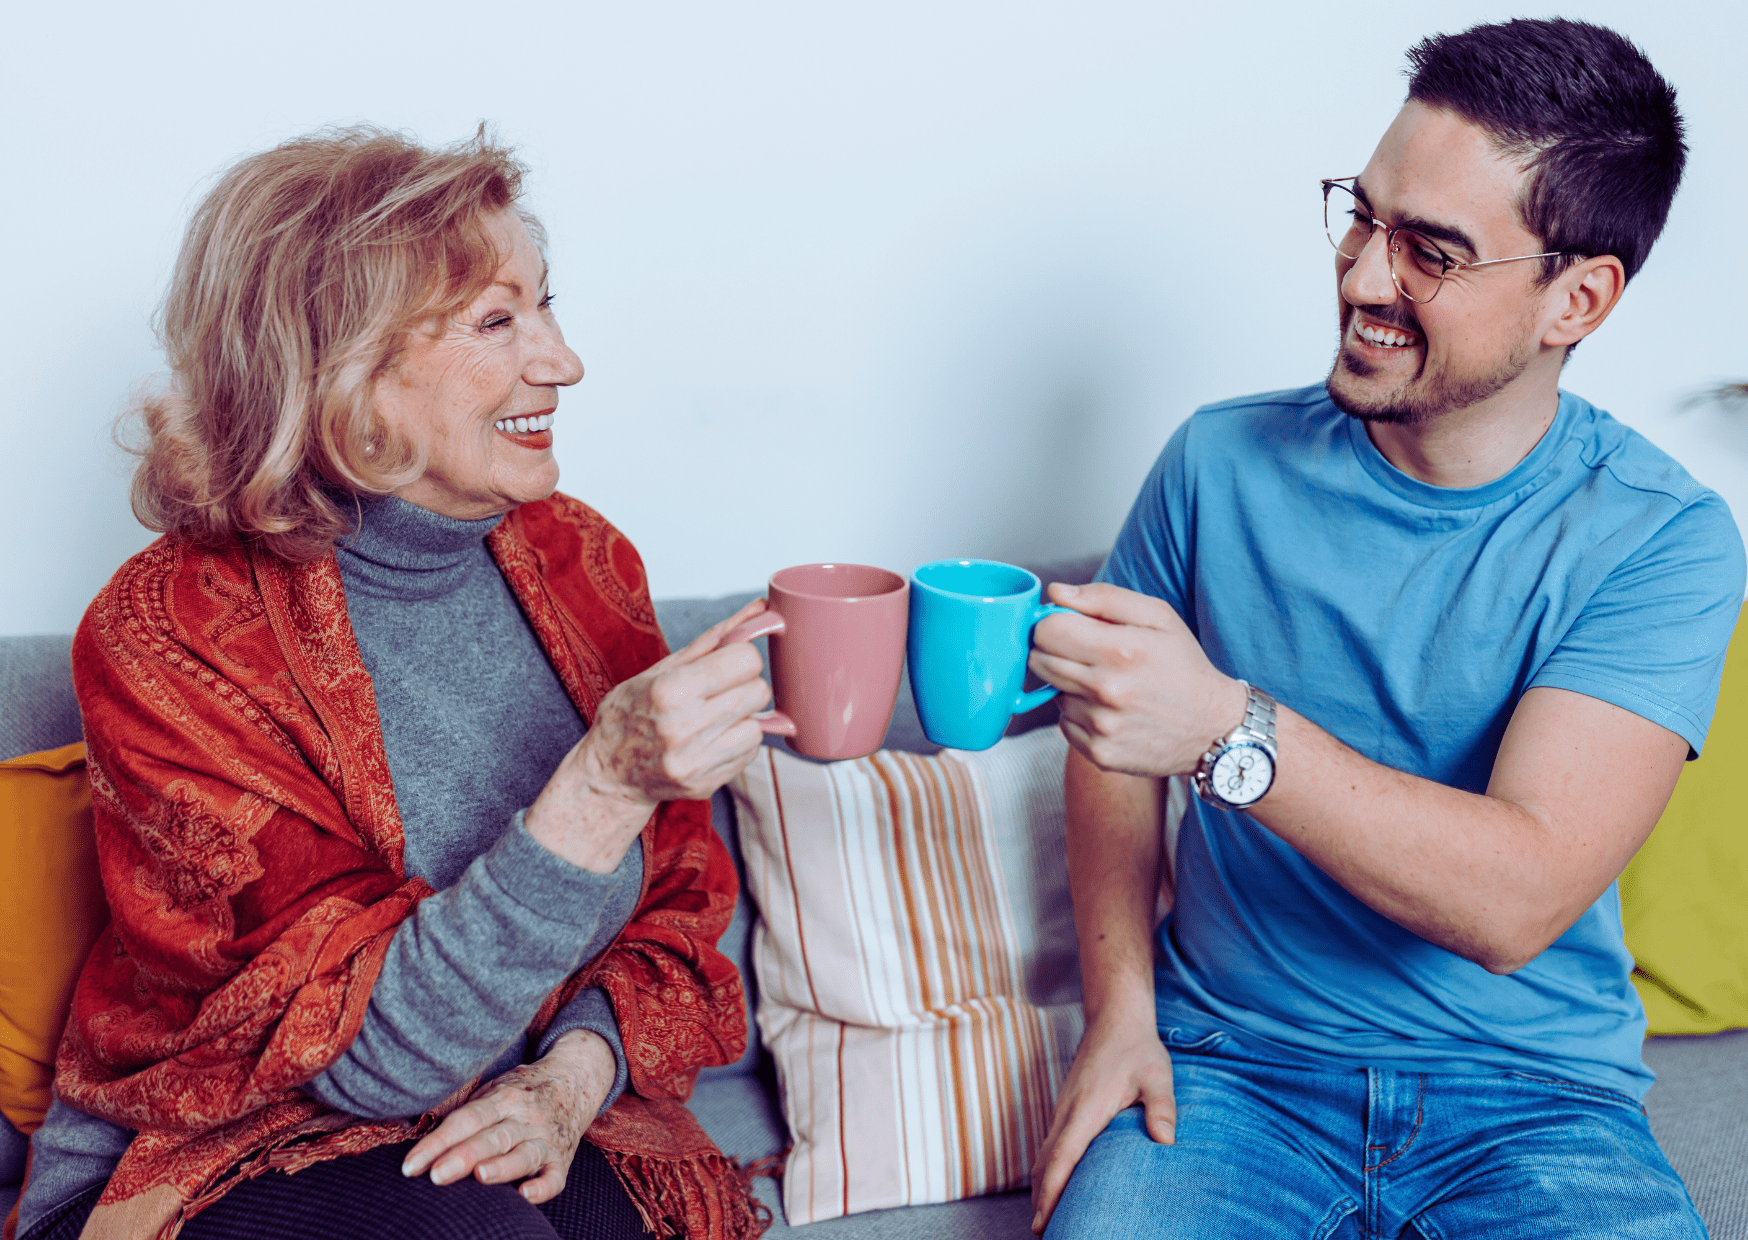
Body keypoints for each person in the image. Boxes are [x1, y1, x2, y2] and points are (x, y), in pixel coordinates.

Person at [1027, 18, 1744, 1240]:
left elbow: (1513, 899)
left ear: (1576, 295)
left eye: (1428, 251)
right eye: (1360, 216)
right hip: (1228, 1072)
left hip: (1535, 1101)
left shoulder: (1658, 540)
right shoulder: (1215, 463)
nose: (1362, 277)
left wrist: (1221, 726)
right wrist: (1118, 1014)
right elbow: (1109, 741)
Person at [15, 127, 781, 1240]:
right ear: (343, 375)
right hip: (229, 1146)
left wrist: (570, 1080)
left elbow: (672, 913)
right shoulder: (170, 636)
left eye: (546, 304)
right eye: (496, 321)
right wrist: (600, 786)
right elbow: (364, 1061)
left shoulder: (582, 562)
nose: (561, 361)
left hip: (514, 1104)